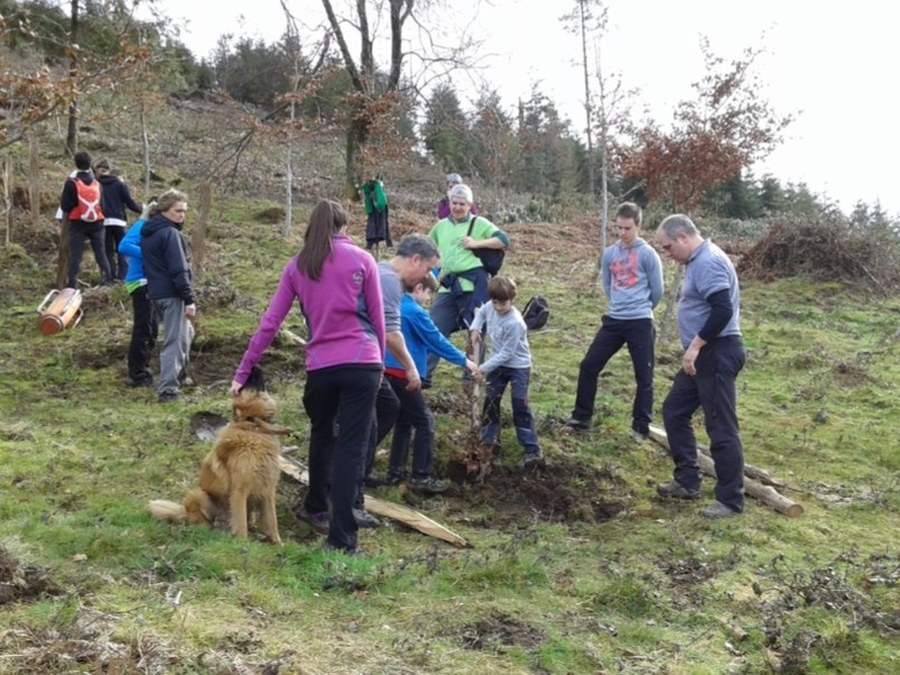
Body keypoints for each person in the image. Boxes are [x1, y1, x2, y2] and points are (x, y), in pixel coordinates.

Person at [230, 200, 385, 556]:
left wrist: (243, 371)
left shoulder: (298, 266)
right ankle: (343, 539)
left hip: (321, 368)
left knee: (321, 434)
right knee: (351, 447)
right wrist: (384, 365)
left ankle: (315, 506)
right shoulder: (363, 260)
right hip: (362, 363)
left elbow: (270, 323)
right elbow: (379, 320)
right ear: (343, 227)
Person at [654, 214, 746, 519]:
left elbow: (722, 310)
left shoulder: (708, 261)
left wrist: (695, 346)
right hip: (705, 354)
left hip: (716, 352)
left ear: (682, 237)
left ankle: (730, 500)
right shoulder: (696, 261)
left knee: (720, 426)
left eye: (667, 247)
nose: (667, 254)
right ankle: (687, 481)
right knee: (675, 411)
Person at [354, 234, 440, 525]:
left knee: (386, 413)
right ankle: (351, 491)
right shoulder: (390, 281)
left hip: (368, 363)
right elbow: (392, 332)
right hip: (364, 363)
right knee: (371, 422)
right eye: (427, 269)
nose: (427, 277)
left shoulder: (377, 270)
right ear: (415, 259)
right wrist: (412, 368)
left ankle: (361, 476)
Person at [566, 202, 664, 439]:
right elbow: (608, 285)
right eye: (618, 227)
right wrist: (617, 305)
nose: (622, 233)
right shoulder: (609, 253)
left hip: (640, 320)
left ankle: (640, 426)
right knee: (589, 365)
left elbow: (657, 290)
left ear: (638, 225)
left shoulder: (649, 254)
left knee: (644, 375)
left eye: (627, 228)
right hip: (614, 320)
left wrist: (639, 307)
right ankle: (582, 416)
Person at [384, 273, 479, 493]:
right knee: (425, 421)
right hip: (403, 374)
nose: (429, 299)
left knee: (404, 421)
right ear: (418, 288)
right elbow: (436, 341)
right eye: (428, 294)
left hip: (387, 371)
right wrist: (464, 361)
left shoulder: (394, 304)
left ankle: (395, 471)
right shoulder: (416, 312)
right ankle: (421, 475)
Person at [426, 183, 509, 384]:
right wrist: (435, 272)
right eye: (454, 203)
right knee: (433, 328)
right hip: (448, 287)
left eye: (462, 204)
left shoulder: (479, 223)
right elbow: (428, 250)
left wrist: (477, 244)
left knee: (476, 331)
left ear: (469, 205)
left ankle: (471, 378)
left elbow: (503, 240)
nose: (457, 207)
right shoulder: (440, 226)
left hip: (474, 287)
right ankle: (423, 374)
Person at [470, 276, 543, 467]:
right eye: (496, 302)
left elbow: (506, 354)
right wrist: (475, 328)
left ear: (512, 299)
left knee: (520, 404)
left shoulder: (515, 322)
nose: (499, 307)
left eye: (503, 303)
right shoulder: (490, 306)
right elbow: (481, 313)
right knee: (491, 402)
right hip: (498, 366)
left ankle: (532, 449)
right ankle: (490, 443)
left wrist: (482, 368)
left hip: (517, 366)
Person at [141, 190, 196, 404]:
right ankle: (168, 390)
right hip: (172, 294)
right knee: (175, 340)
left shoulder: (149, 232)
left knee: (187, 333)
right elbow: (179, 270)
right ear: (165, 210)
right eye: (177, 211)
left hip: (156, 292)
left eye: (184, 211)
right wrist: (189, 299)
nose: (182, 215)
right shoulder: (170, 234)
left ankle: (179, 375)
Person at [118, 201, 158, 388]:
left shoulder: (156, 228)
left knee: (152, 328)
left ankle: (144, 368)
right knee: (143, 328)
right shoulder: (142, 225)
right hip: (139, 282)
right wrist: (149, 254)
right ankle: (137, 375)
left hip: (152, 283)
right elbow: (124, 246)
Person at [59, 150, 111, 287]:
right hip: (97, 224)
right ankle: (107, 280)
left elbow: (65, 206)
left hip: (77, 223)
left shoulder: (71, 183)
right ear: (90, 164)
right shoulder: (97, 184)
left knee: (76, 255)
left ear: (75, 163)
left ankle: (72, 284)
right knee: (101, 253)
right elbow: (103, 206)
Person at [95, 158, 142, 282]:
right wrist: (143, 210)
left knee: (107, 251)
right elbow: (130, 203)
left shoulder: (96, 184)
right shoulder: (120, 184)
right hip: (119, 221)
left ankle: (109, 277)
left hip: (103, 221)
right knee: (122, 249)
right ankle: (123, 276)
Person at [362, 174, 391, 252]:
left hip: (378, 215)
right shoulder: (372, 190)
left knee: (379, 227)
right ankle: (372, 246)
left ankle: (373, 246)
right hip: (376, 216)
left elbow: (380, 203)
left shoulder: (377, 190)